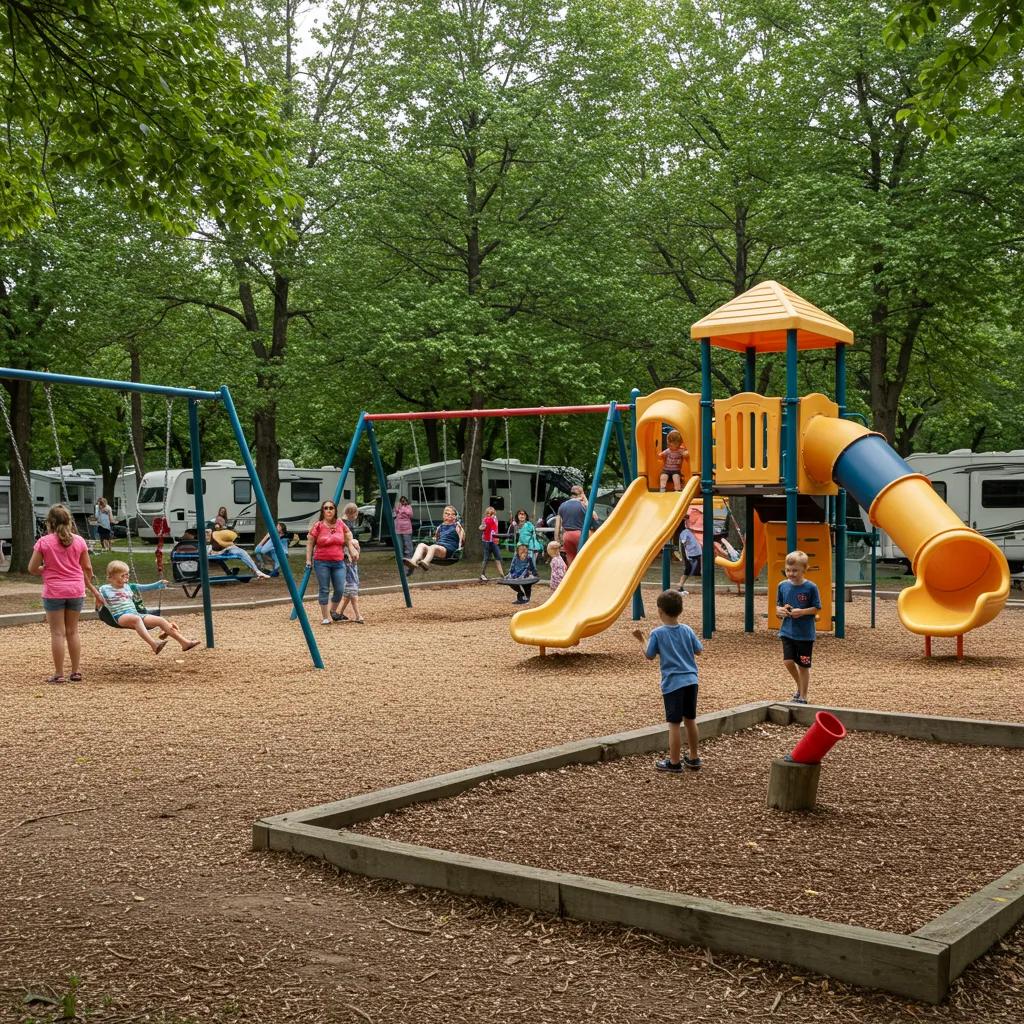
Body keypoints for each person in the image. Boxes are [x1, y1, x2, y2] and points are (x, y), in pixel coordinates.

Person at [27, 503, 102, 683]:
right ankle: (75, 671)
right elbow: (87, 567)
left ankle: (59, 674)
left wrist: (45, 569)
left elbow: (31, 568)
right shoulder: (79, 541)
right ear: (69, 521)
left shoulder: (44, 542)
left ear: (49, 522)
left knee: (58, 633)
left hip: (54, 591)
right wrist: (89, 580)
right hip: (76, 589)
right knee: (72, 631)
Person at [632, 589, 703, 772]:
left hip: (673, 684)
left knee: (674, 724)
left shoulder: (657, 633)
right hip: (691, 681)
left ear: (660, 611)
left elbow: (649, 655)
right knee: (690, 719)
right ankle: (694, 757)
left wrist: (641, 639)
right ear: (680, 610)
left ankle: (674, 762)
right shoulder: (687, 630)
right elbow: (699, 650)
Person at [98, 561, 199, 655]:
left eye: (127, 574)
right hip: (119, 616)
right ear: (111, 577)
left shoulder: (129, 587)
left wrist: (158, 584)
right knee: (136, 619)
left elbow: (147, 587)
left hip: (135, 614)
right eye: (122, 575)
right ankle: (154, 644)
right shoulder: (104, 589)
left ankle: (185, 643)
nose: (126, 577)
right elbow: (98, 602)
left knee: (161, 620)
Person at [776, 550, 821, 705]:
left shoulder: (811, 587)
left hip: (805, 635)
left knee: (803, 665)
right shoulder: (782, 586)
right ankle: (799, 686)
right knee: (788, 662)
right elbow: (778, 608)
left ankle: (803, 696)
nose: (791, 573)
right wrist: (781, 611)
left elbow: (816, 608)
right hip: (787, 632)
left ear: (804, 569)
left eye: (795, 570)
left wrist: (802, 612)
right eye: (788, 570)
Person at [306, 499, 357, 624]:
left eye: (331, 508)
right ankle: (325, 617)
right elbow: (310, 543)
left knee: (339, 589)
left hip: (338, 562)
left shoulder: (340, 523)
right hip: (321, 562)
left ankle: (332, 611)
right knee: (324, 589)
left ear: (335, 510)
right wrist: (308, 560)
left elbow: (348, 535)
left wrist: (351, 548)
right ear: (322, 511)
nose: (328, 510)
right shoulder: (318, 526)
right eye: (326, 508)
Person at [404, 505, 465, 573]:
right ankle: (413, 562)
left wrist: (460, 549)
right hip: (438, 547)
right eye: (445, 513)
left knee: (433, 547)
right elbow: (436, 539)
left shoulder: (457, 526)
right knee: (421, 545)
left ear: (454, 516)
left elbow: (463, 539)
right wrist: (430, 540)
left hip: (449, 550)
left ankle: (425, 563)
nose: (446, 515)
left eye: (448, 513)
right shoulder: (440, 527)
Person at [554, 486, 599, 566]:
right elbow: (595, 517)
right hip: (580, 534)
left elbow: (557, 526)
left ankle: (572, 577)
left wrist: (557, 539)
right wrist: (586, 500)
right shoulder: (582, 505)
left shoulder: (562, 506)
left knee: (570, 559)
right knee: (582, 558)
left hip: (567, 536)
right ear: (581, 494)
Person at [479, 505, 505, 581]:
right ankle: (482, 574)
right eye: (488, 513)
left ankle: (502, 575)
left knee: (498, 557)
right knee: (486, 558)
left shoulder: (495, 519)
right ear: (486, 514)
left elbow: (495, 528)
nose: (489, 515)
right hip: (486, 541)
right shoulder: (485, 520)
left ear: (494, 513)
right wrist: (482, 527)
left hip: (493, 541)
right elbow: (482, 527)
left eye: (491, 513)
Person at [677, 518, 702, 594]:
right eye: (686, 522)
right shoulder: (684, 532)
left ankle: (680, 586)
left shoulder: (688, 531)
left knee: (693, 570)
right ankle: (680, 586)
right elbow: (684, 542)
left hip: (695, 553)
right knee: (688, 569)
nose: (689, 523)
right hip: (691, 554)